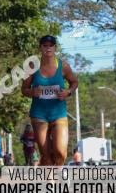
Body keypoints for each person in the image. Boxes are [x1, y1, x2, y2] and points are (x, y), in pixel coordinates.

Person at [21, 36, 78, 166]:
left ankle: (57, 173)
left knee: (60, 152)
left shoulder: (63, 66)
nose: (48, 48)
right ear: (40, 48)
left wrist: (68, 92)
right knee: (45, 154)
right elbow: (23, 89)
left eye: (51, 45)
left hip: (58, 114)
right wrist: (32, 92)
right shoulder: (32, 67)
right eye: (45, 45)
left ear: (55, 48)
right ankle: (50, 184)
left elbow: (74, 82)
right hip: (39, 114)